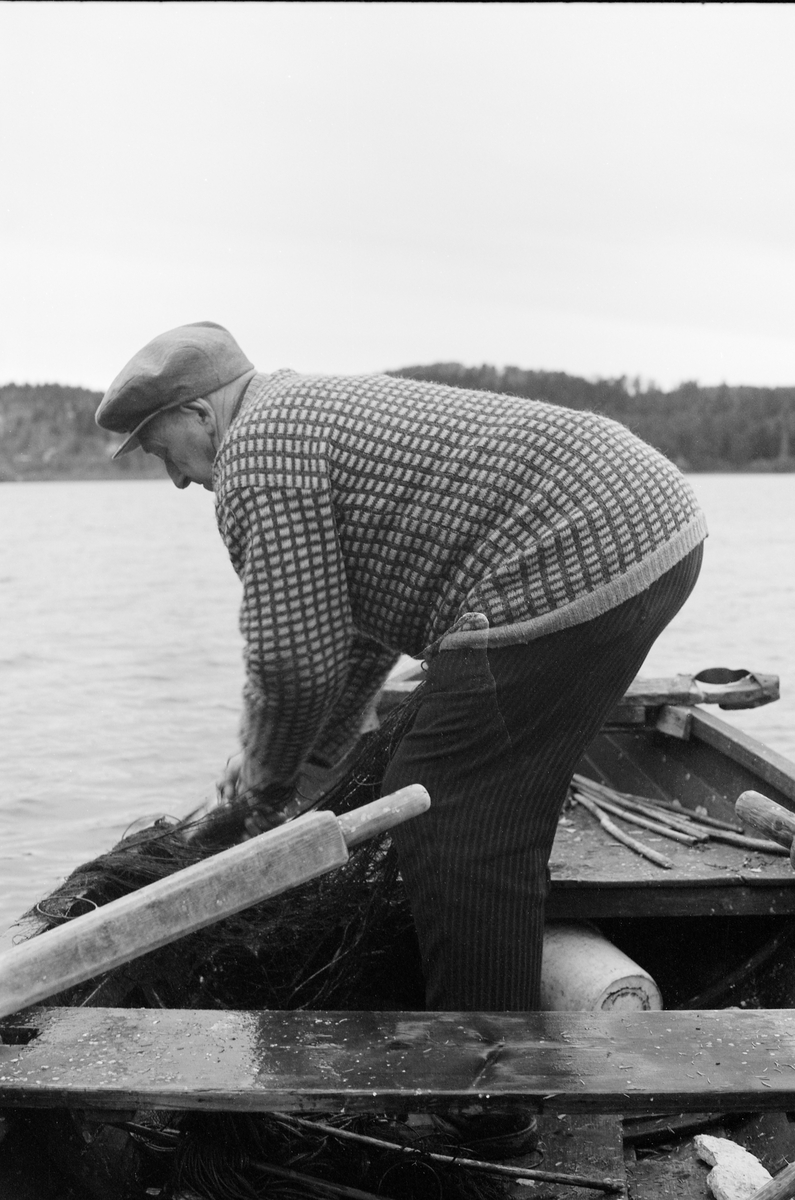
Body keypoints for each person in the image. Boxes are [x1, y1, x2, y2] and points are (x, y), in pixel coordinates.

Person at [96, 320, 707, 1017]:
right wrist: (315, 766)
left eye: (159, 449)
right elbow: (348, 638)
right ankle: (499, 1002)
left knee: (447, 810)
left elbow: (293, 663)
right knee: (480, 787)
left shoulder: (256, 457)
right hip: (653, 529)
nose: (174, 478)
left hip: (578, 553)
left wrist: (260, 794)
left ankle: (486, 1098)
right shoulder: (295, 414)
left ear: (198, 413)